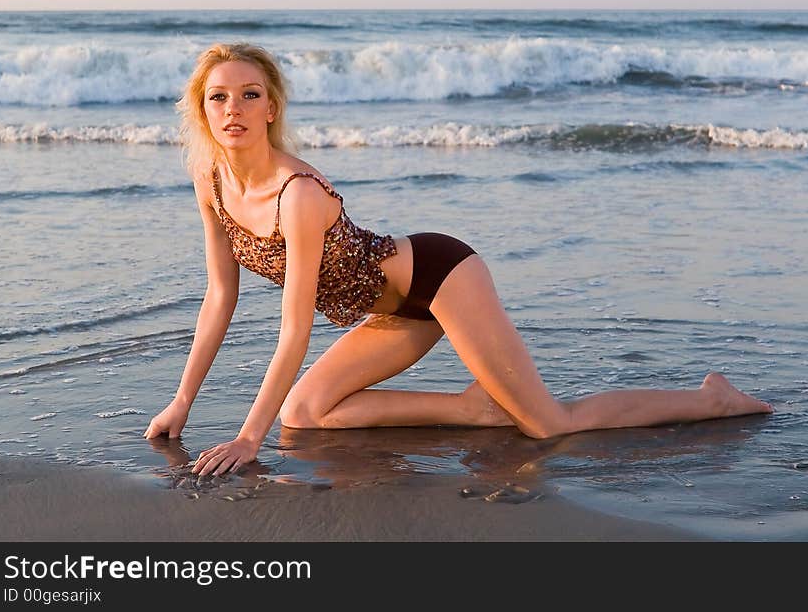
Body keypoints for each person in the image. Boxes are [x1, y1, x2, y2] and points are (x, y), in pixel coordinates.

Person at [143, 43, 773, 477]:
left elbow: (295, 328)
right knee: (305, 415)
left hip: (441, 276)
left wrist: (249, 438)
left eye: (249, 95)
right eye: (219, 98)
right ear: (202, 109)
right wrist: (181, 404)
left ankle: (712, 398)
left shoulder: (297, 194)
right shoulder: (210, 181)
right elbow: (219, 298)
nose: (234, 110)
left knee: (549, 426)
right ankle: (475, 407)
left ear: (271, 108)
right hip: (393, 314)